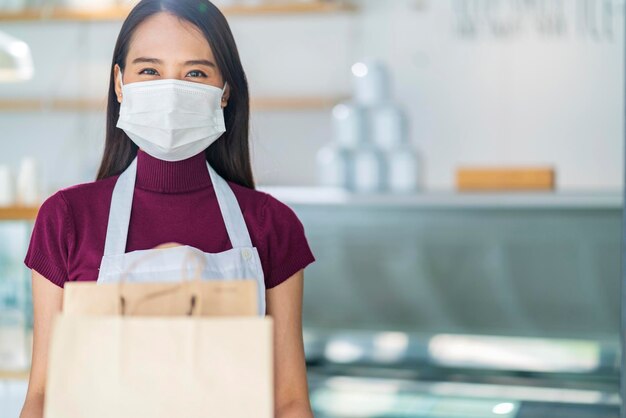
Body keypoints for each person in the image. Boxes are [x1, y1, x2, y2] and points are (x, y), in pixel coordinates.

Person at [19, 1, 316, 417]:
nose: (172, 91)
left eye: (195, 73)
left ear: (224, 90)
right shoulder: (67, 218)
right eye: (149, 71)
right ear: (120, 84)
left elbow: (289, 400)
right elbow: (43, 395)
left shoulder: (269, 225)